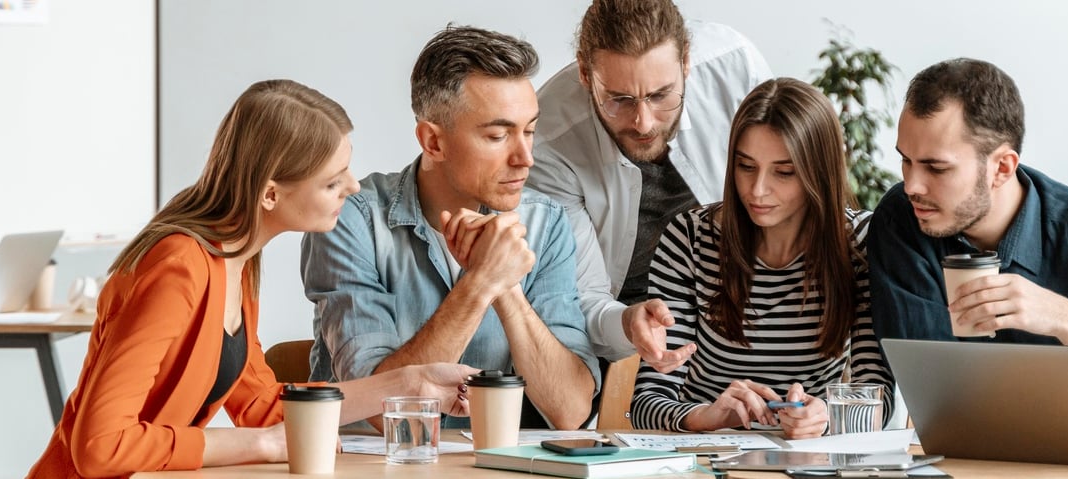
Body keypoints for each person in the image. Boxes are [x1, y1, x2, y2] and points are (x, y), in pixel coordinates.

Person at [26, 80, 476, 479]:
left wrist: (407, 384)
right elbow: (99, 448)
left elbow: (260, 404)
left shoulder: (232, 261)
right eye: (332, 181)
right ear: (270, 194)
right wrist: (262, 445)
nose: (354, 187)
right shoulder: (178, 267)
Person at [300, 26, 598, 431]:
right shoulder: (352, 218)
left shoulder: (546, 223)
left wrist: (506, 286)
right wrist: (478, 284)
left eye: (529, 130)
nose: (526, 157)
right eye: (498, 135)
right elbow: (378, 410)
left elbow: (570, 411)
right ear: (433, 142)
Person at [867, 58, 1068, 434]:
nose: (912, 186)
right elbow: (939, 402)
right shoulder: (901, 222)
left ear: (1002, 167)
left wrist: (1067, 322)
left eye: (936, 168)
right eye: (906, 161)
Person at [630, 78, 893, 439]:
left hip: (808, 458)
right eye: (746, 167)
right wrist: (707, 416)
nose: (757, 190)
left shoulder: (860, 242)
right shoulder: (690, 238)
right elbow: (647, 402)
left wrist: (827, 417)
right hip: (707, 456)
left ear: (819, 173)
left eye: (784, 172)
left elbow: (878, 398)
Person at [529, 0, 773, 370]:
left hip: (746, 308)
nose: (644, 123)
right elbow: (580, 294)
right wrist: (627, 321)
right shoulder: (547, 138)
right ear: (584, 73)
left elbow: (787, 198)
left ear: (686, 62)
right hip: (618, 329)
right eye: (620, 100)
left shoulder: (735, 65)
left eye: (661, 95)